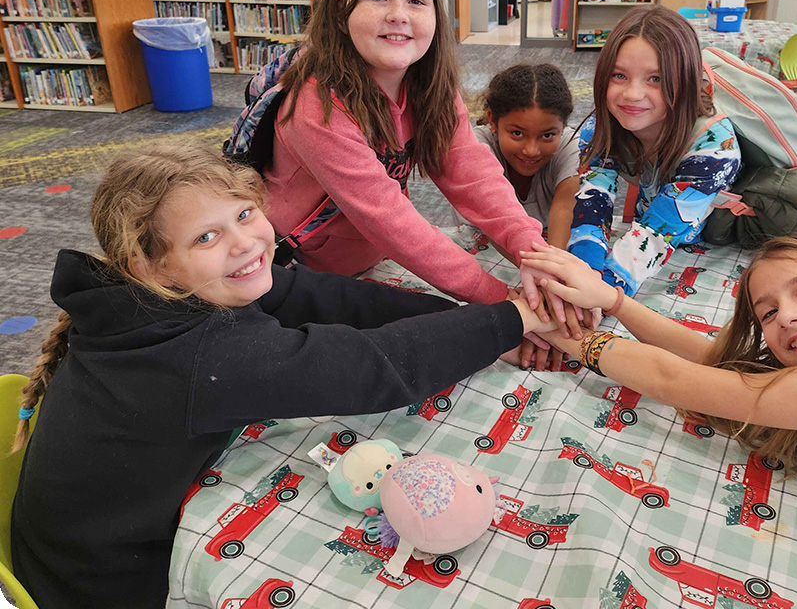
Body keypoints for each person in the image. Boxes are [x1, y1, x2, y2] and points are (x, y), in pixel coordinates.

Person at [10, 142, 556, 609]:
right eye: (206, 237)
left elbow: (317, 295)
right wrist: (512, 320)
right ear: (152, 265)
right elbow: (371, 368)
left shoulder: (147, 300)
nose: (245, 243)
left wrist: (474, 320)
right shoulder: (199, 354)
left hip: (74, 546)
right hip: (102, 588)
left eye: (245, 214)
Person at [519, 237, 797, 554]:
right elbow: (722, 365)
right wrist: (613, 301)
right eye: (767, 312)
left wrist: (562, 334)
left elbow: (672, 380)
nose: (787, 316)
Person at [261, 0, 558, 319]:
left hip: (375, 259)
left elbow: (471, 174)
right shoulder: (317, 107)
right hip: (305, 276)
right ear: (339, 11)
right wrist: (503, 301)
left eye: (417, 1)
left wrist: (531, 252)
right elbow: (390, 220)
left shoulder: (428, 83)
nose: (398, 13)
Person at [568, 4, 742, 297]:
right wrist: (579, 277)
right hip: (654, 232)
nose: (632, 94)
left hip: (723, 243)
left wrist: (593, 297)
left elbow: (655, 237)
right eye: (619, 75)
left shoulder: (714, 146)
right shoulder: (603, 126)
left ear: (685, 81)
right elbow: (593, 203)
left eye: (656, 79)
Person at [459, 63, 580, 251]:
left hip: (538, 253)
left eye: (547, 135)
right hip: (483, 246)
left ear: (563, 126)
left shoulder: (571, 146)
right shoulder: (475, 145)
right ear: (492, 119)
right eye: (517, 133)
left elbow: (565, 209)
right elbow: (497, 218)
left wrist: (553, 269)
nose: (531, 150)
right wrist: (543, 269)